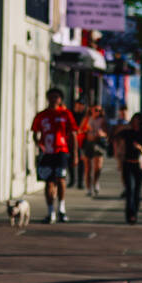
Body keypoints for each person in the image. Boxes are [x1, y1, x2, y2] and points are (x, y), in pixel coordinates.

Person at [31, 88, 79, 223]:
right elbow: (35, 132)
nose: (54, 99)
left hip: (61, 151)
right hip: (48, 152)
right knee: (49, 181)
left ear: (60, 99)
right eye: (51, 97)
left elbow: (73, 134)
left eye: (56, 97)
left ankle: (62, 209)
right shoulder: (42, 115)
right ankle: (50, 211)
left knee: (61, 179)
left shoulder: (65, 114)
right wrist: (39, 144)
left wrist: (75, 153)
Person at [112, 112, 142, 224]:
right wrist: (118, 152)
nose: (135, 123)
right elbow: (115, 136)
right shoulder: (128, 132)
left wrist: (139, 147)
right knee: (129, 189)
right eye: (134, 121)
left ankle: (135, 212)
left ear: (141, 122)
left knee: (137, 192)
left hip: (139, 165)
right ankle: (130, 214)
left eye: (137, 121)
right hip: (128, 163)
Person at [79, 104, 109, 196]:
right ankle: (88, 188)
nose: (97, 112)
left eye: (99, 110)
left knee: (98, 166)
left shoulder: (102, 120)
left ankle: (96, 182)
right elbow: (80, 130)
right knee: (88, 167)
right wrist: (86, 130)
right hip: (88, 143)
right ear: (91, 110)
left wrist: (101, 134)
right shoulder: (87, 119)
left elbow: (107, 133)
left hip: (98, 143)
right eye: (96, 110)